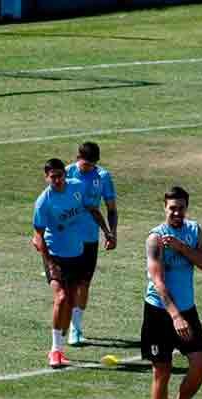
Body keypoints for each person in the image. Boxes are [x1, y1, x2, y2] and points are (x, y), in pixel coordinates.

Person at [141, 186, 202, 399]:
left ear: (186, 208)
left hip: (187, 309)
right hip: (160, 312)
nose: (176, 212)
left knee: (200, 365)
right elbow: (158, 281)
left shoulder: (193, 231)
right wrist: (175, 316)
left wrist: (183, 248)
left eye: (181, 207)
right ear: (164, 208)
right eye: (172, 207)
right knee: (162, 371)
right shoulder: (155, 238)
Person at [33, 158, 107, 368]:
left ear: (65, 174)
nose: (56, 180)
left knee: (72, 299)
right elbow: (37, 236)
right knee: (61, 297)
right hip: (55, 255)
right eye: (52, 177)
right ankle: (55, 351)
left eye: (59, 175)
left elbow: (92, 209)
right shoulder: (44, 202)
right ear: (46, 177)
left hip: (77, 252)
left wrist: (107, 231)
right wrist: (49, 263)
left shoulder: (77, 187)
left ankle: (61, 338)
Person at [65, 141, 117, 345]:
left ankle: (75, 328)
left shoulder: (103, 177)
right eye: (85, 164)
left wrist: (112, 233)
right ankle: (64, 326)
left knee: (84, 283)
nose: (87, 168)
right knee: (69, 285)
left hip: (90, 238)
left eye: (91, 165)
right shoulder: (67, 173)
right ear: (78, 158)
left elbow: (111, 208)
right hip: (67, 239)